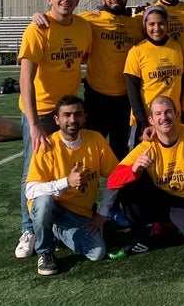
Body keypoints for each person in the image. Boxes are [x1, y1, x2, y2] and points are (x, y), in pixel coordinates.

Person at [16, 0, 93, 259]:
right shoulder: (37, 29)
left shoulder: (85, 26)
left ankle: (55, 223)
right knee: (32, 169)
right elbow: (25, 80)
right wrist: (34, 124)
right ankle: (29, 229)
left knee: (65, 166)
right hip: (41, 111)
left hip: (68, 110)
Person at [32, 0, 143, 160]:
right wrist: (37, 15)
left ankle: (118, 189)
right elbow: (60, 18)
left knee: (120, 152)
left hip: (124, 99)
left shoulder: (136, 25)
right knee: (89, 150)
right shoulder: (89, 19)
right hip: (96, 97)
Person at [107, 95, 184, 262]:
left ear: (177, 115)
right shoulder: (148, 146)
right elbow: (113, 181)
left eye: (168, 112)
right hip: (163, 200)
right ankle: (140, 239)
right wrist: (134, 170)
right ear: (151, 120)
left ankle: (171, 224)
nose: (164, 118)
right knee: (130, 181)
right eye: (158, 114)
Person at [25, 95, 119, 275]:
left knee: (97, 253)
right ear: (57, 119)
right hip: (52, 206)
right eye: (66, 115)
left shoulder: (96, 139)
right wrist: (66, 182)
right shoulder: (47, 145)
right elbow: (30, 190)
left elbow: (115, 178)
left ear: (84, 117)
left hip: (79, 213)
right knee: (43, 202)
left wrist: (102, 214)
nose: (72, 120)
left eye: (77, 114)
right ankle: (45, 252)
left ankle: (55, 230)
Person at [124, 6, 184, 133]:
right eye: (152, 24)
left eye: (161, 23)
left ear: (167, 24)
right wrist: (144, 124)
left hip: (173, 119)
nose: (156, 29)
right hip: (148, 122)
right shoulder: (136, 52)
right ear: (145, 25)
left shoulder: (177, 47)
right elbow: (133, 93)